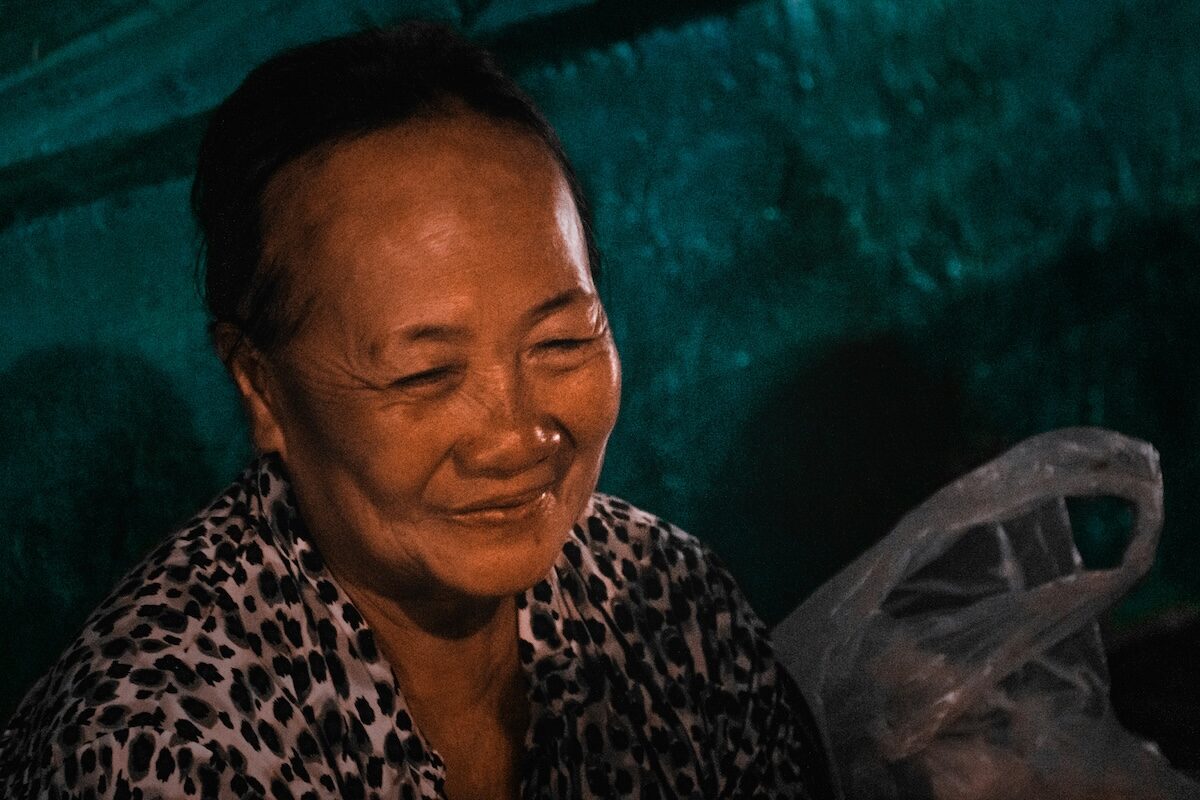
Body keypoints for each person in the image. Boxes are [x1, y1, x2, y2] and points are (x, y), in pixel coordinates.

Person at [0, 22, 832, 799]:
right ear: (261, 388)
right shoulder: (158, 749)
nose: (516, 437)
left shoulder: (666, 605)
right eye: (425, 375)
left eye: (562, 342)